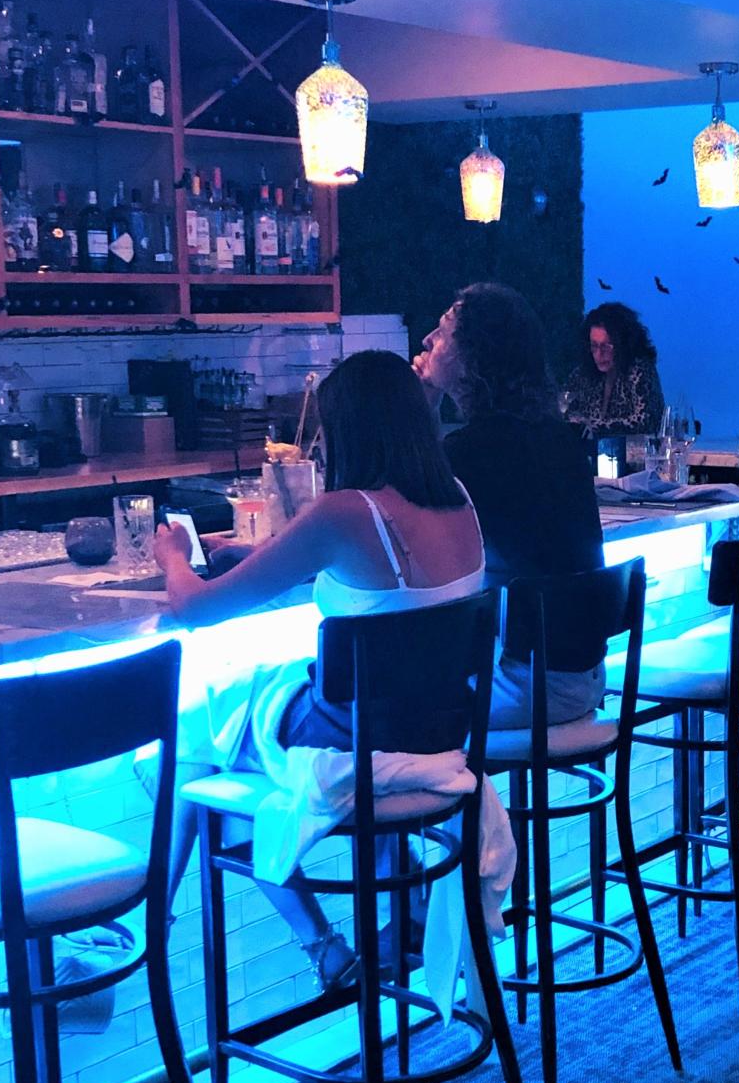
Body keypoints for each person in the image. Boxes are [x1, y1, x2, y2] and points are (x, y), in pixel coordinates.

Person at [154, 350, 486, 989]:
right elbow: (379, 580)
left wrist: (174, 556)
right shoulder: (461, 501)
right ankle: (401, 901)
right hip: (436, 738)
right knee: (219, 731)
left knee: (192, 735)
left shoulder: (343, 513)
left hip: (354, 743)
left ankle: (290, 941)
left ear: (352, 428)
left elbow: (194, 610)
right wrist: (262, 553)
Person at [413, 282, 608, 726]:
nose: (427, 340)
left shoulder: (474, 451)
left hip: (526, 684)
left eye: (442, 332)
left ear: (473, 356)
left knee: (381, 704)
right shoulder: (560, 439)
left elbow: (403, 514)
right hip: (587, 678)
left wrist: (423, 402)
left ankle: (451, 793)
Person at [560, 302, 667, 436]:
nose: (599, 353)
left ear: (623, 344)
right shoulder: (582, 374)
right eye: (594, 346)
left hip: (633, 455)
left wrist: (591, 427)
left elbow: (647, 422)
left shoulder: (640, 371)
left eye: (606, 346)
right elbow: (562, 410)